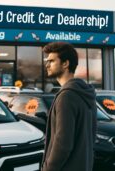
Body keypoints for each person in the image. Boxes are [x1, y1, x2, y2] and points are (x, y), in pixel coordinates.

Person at [41, 42, 97, 171]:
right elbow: (92, 134)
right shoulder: (86, 93)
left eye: (51, 61)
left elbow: (63, 144)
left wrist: (48, 169)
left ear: (65, 64)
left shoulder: (66, 96)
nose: (47, 64)